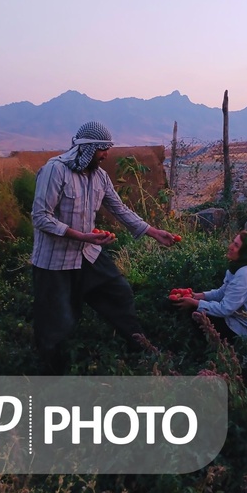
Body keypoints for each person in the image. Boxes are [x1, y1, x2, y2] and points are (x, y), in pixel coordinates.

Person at [30, 121, 180, 374]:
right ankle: (52, 376)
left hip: (88, 255)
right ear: (87, 149)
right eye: (102, 149)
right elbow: (40, 217)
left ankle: (141, 350)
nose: (106, 155)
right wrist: (81, 236)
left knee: (119, 293)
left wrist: (154, 232)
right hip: (54, 263)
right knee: (56, 323)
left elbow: (119, 209)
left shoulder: (99, 176)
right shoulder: (55, 171)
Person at [174, 230, 247, 339]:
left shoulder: (246, 275)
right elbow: (223, 292)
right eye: (233, 242)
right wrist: (198, 296)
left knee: (198, 312)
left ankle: (221, 350)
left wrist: (195, 303)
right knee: (200, 307)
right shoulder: (242, 267)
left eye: (236, 246)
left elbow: (225, 309)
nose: (230, 247)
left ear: (246, 252)